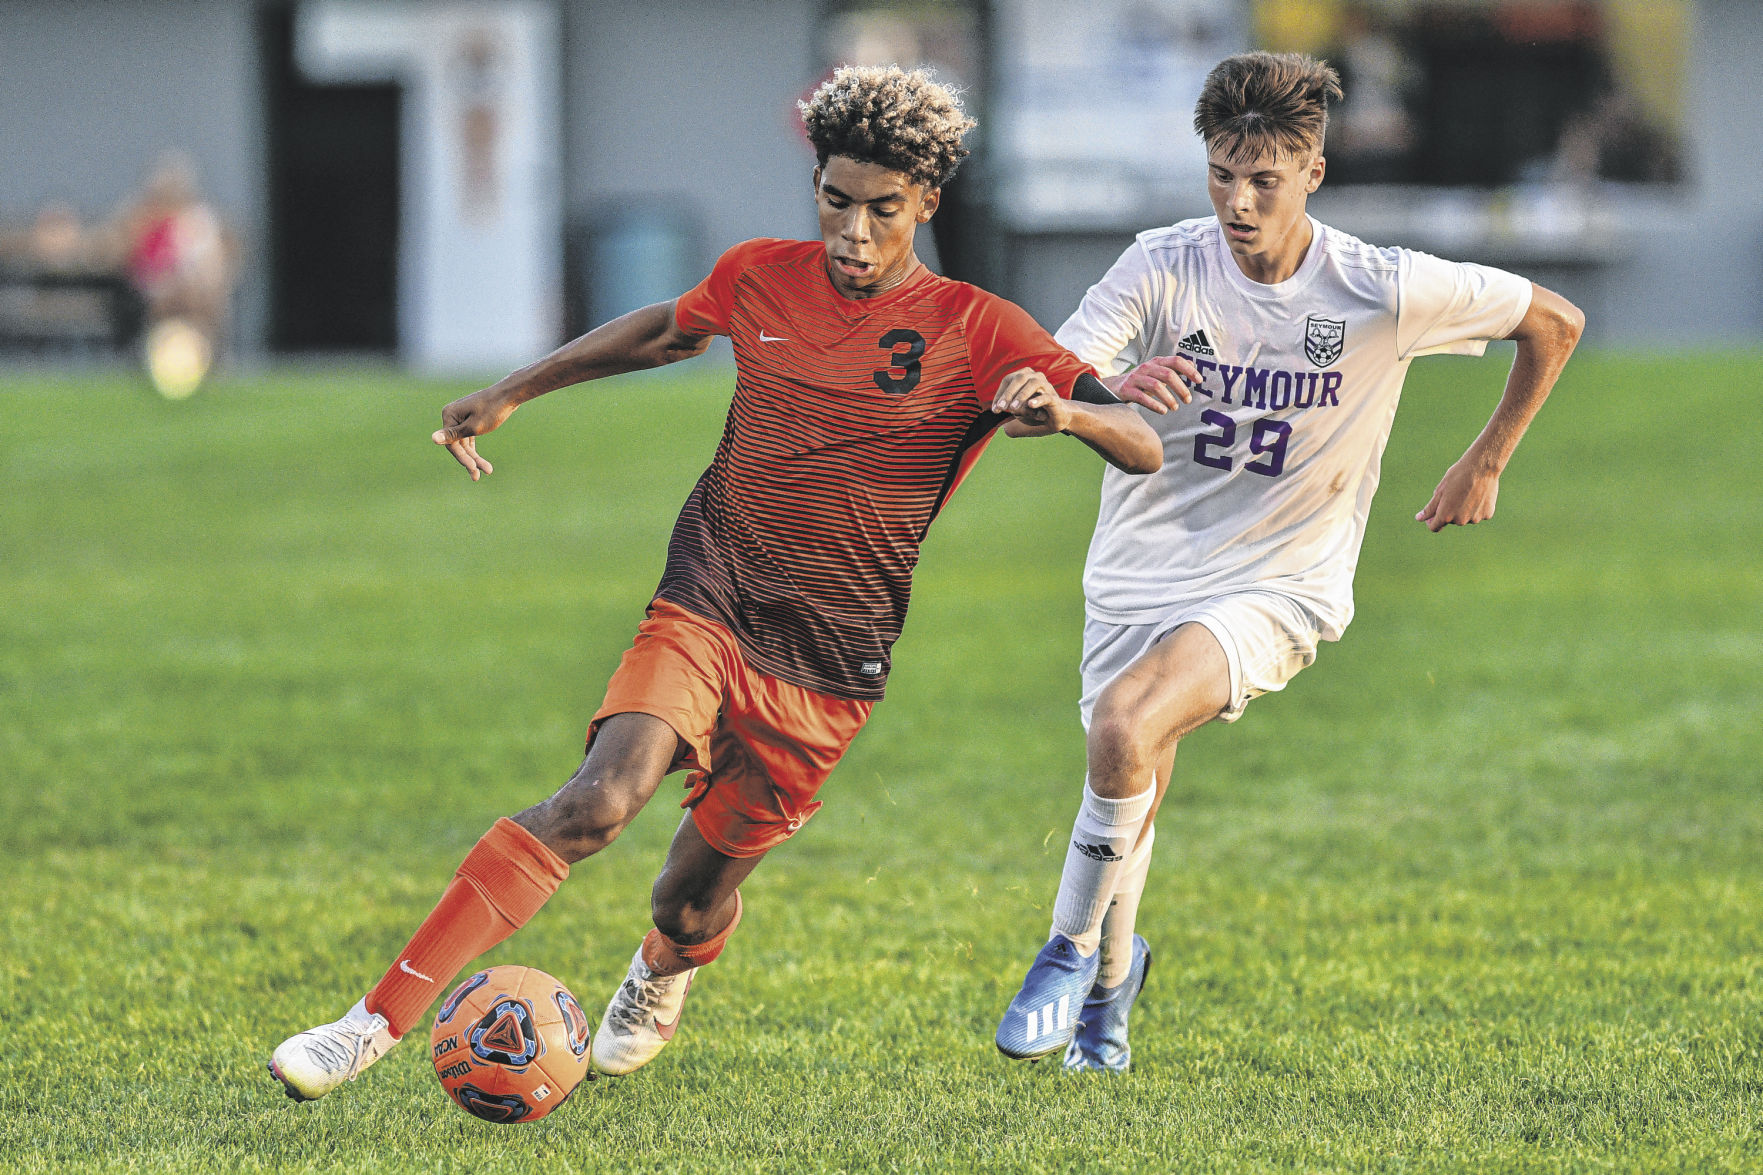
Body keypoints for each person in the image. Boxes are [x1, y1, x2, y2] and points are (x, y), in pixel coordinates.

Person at [268, 65, 1161, 1102]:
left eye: (882, 209)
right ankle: (368, 1024)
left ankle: (663, 966)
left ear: (925, 200)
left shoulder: (977, 325)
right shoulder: (759, 275)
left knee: (687, 901)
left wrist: (1069, 414)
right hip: (710, 594)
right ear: (814, 185)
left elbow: (1140, 440)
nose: (854, 232)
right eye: (835, 200)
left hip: (829, 661)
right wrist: (512, 390)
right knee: (597, 800)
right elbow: (664, 331)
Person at [994, 51, 1583, 1072]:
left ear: (1312, 171)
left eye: (1262, 180)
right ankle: (1110, 997)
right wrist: (1090, 395)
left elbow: (1554, 321)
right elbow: (1049, 382)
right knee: (1131, 771)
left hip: (1280, 579)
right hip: (1136, 567)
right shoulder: (1160, 264)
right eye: (1220, 174)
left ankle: (1067, 949)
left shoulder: (1378, 285)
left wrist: (1484, 459)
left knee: (1125, 724)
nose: (1237, 201)